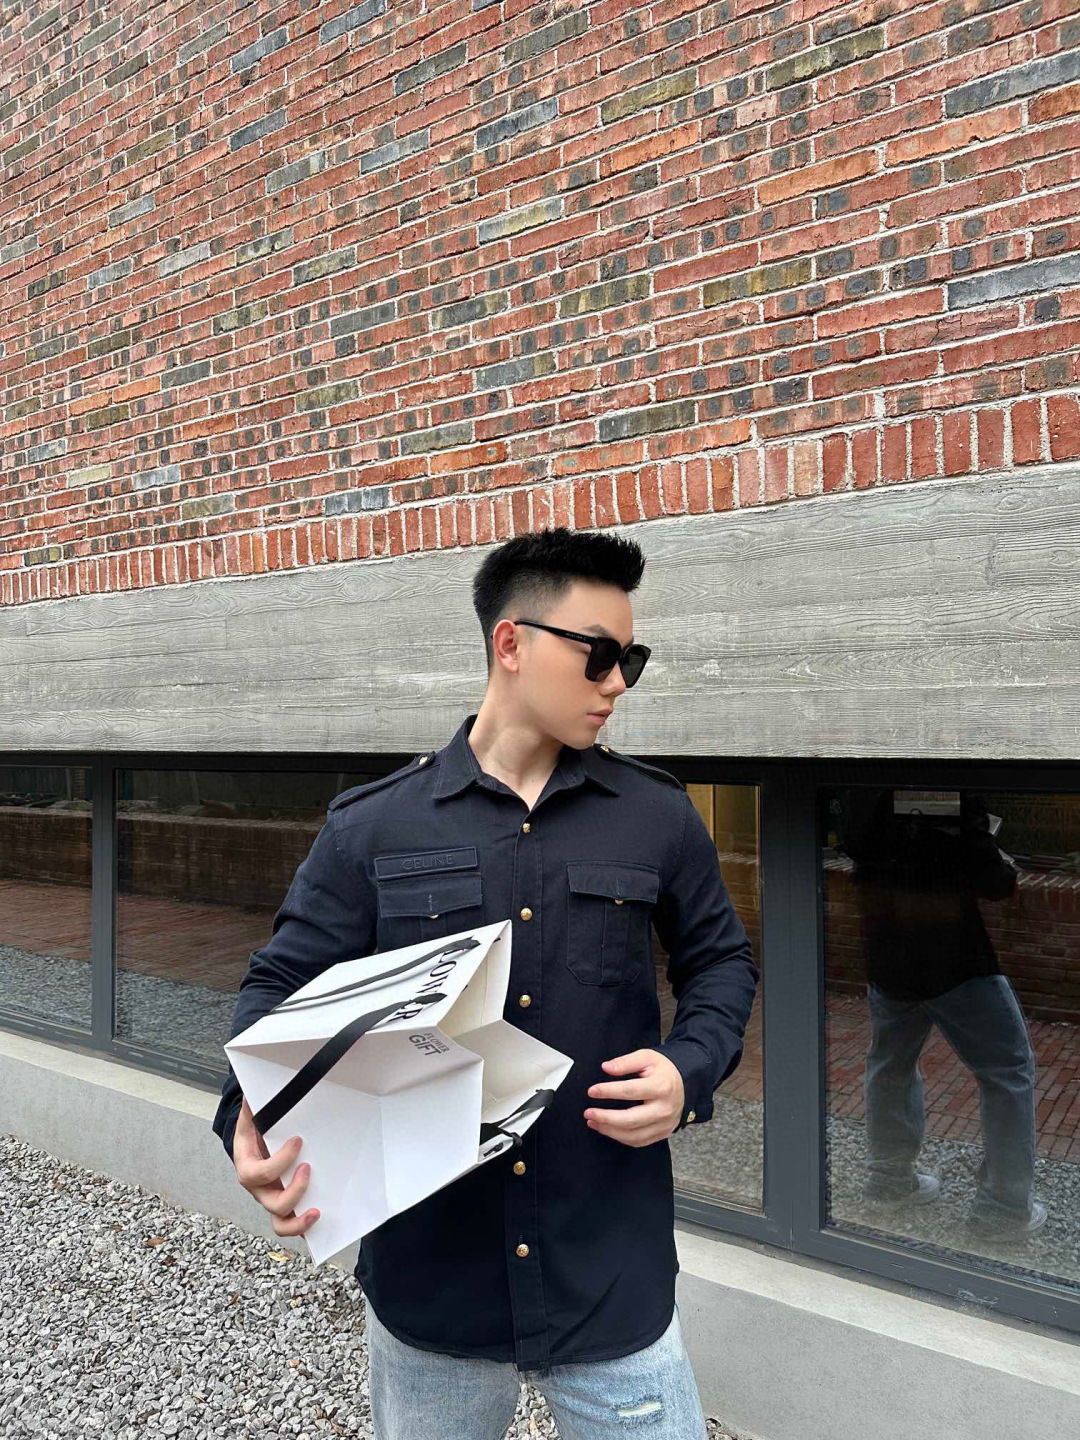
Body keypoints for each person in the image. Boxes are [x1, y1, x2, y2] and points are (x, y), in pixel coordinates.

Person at [212, 526, 760, 1438]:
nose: (619, 683)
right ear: (511, 643)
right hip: (434, 1287)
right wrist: (250, 1112)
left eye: (632, 661)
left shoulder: (657, 816)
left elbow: (722, 963)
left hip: (609, 1277)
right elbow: (280, 984)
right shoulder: (374, 825)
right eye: (601, 656)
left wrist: (689, 1068)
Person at [842, 787, 1045, 1238]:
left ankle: (889, 1181)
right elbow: (987, 875)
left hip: (885, 946)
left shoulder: (863, 776)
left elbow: (857, 842)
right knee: (1008, 1069)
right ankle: (1003, 1208)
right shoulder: (948, 776)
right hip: (951, 955)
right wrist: (1005, 870)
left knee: (891, 1064)